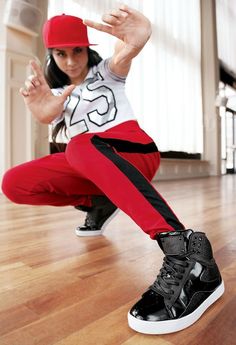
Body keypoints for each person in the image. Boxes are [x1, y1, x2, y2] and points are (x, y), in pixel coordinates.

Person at [2, 4, 224, 335]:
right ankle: (100, 203)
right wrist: (44, 113)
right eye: (61, 54)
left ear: (87, 50)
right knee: (14, 182)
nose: (72, 61)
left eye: (78, 51)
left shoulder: (106, 71)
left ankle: (184, 248)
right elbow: (48, 112)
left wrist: (136, 40)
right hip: (92, 163)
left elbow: (124, 55)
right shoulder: (57, 95)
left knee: (80, 145)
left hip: (134, 152)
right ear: (51, 57)